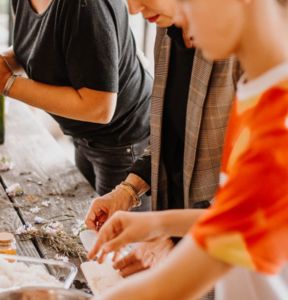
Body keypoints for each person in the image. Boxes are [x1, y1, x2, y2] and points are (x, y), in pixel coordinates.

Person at [88, 0, 288, 299]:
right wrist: (157, 223)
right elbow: (241, 214)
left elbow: (164, 289)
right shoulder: (259, 92)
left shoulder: (278, 128)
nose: (180, 14)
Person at [84, 0, 240, 277]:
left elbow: (255, 205)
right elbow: (169, 135)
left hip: (227, 261)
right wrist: (127, 192)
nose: (132, 9)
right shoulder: (168, 30)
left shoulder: (252, 57)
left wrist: (173, 237)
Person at [0, 0, 153, 196]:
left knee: (114, 234)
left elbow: (100, 107)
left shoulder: (88, 6)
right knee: (88, 219)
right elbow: (38, 46)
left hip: (124, 140)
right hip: (84, 135)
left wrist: (6, 83)